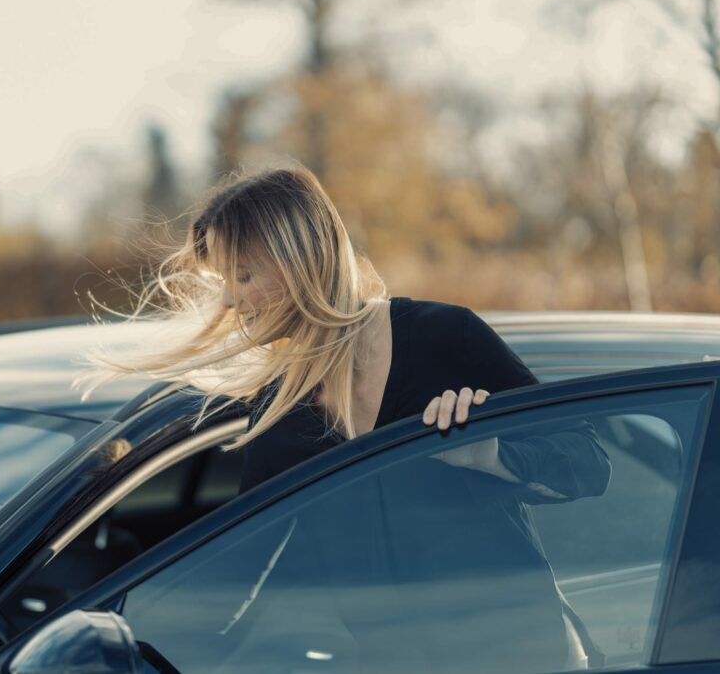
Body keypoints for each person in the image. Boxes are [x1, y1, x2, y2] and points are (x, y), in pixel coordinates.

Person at [74, 163, 610, 673]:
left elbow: (589, 464)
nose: (232, 300)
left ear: (299, 260)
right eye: (224, 280)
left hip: (526, 657)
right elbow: (233, 570)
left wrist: (490, 456)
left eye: (242, 274)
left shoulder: (444, 338)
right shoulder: (278, 413)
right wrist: (110, 620)